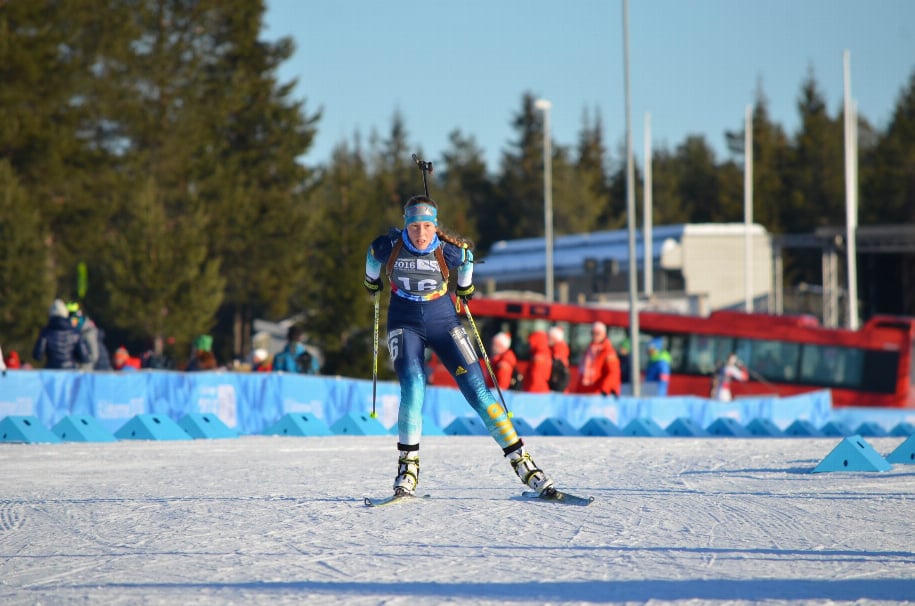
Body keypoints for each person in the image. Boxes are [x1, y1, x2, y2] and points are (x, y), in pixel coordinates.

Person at [363, 194, 555, 497]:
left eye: (427, 226)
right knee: (413, 385)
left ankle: (522, 462)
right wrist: (371, 280)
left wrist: (465, 288)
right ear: (405, 226)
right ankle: (408, 467)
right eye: (415, 227)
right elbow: (372, 255)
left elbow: (466, 260)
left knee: (478, 392)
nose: (422, 234)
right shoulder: (390, 245)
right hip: (404, 322)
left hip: (444, 323)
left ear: (435, 226)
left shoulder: (447, 251)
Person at [32, 298, 90, 369]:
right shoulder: (74, 332)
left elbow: (37, 355)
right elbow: (84, 357)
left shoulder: (46, 332)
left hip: (52, 371)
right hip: (70, 371)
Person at [572, 321, 621, 397]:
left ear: (603, 335)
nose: (594, 336)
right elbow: (583, 374)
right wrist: (577, 392)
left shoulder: (608, 351)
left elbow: (613, 373)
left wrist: (604, 389)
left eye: (597, 333)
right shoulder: (588, 350)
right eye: (592, 333)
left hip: (599, 393)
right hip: (585, 393)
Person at [547, 326, 570, 392]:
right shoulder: (557, 348)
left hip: (558, 387)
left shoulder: (559, 349)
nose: (548, 339)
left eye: (550, 337)